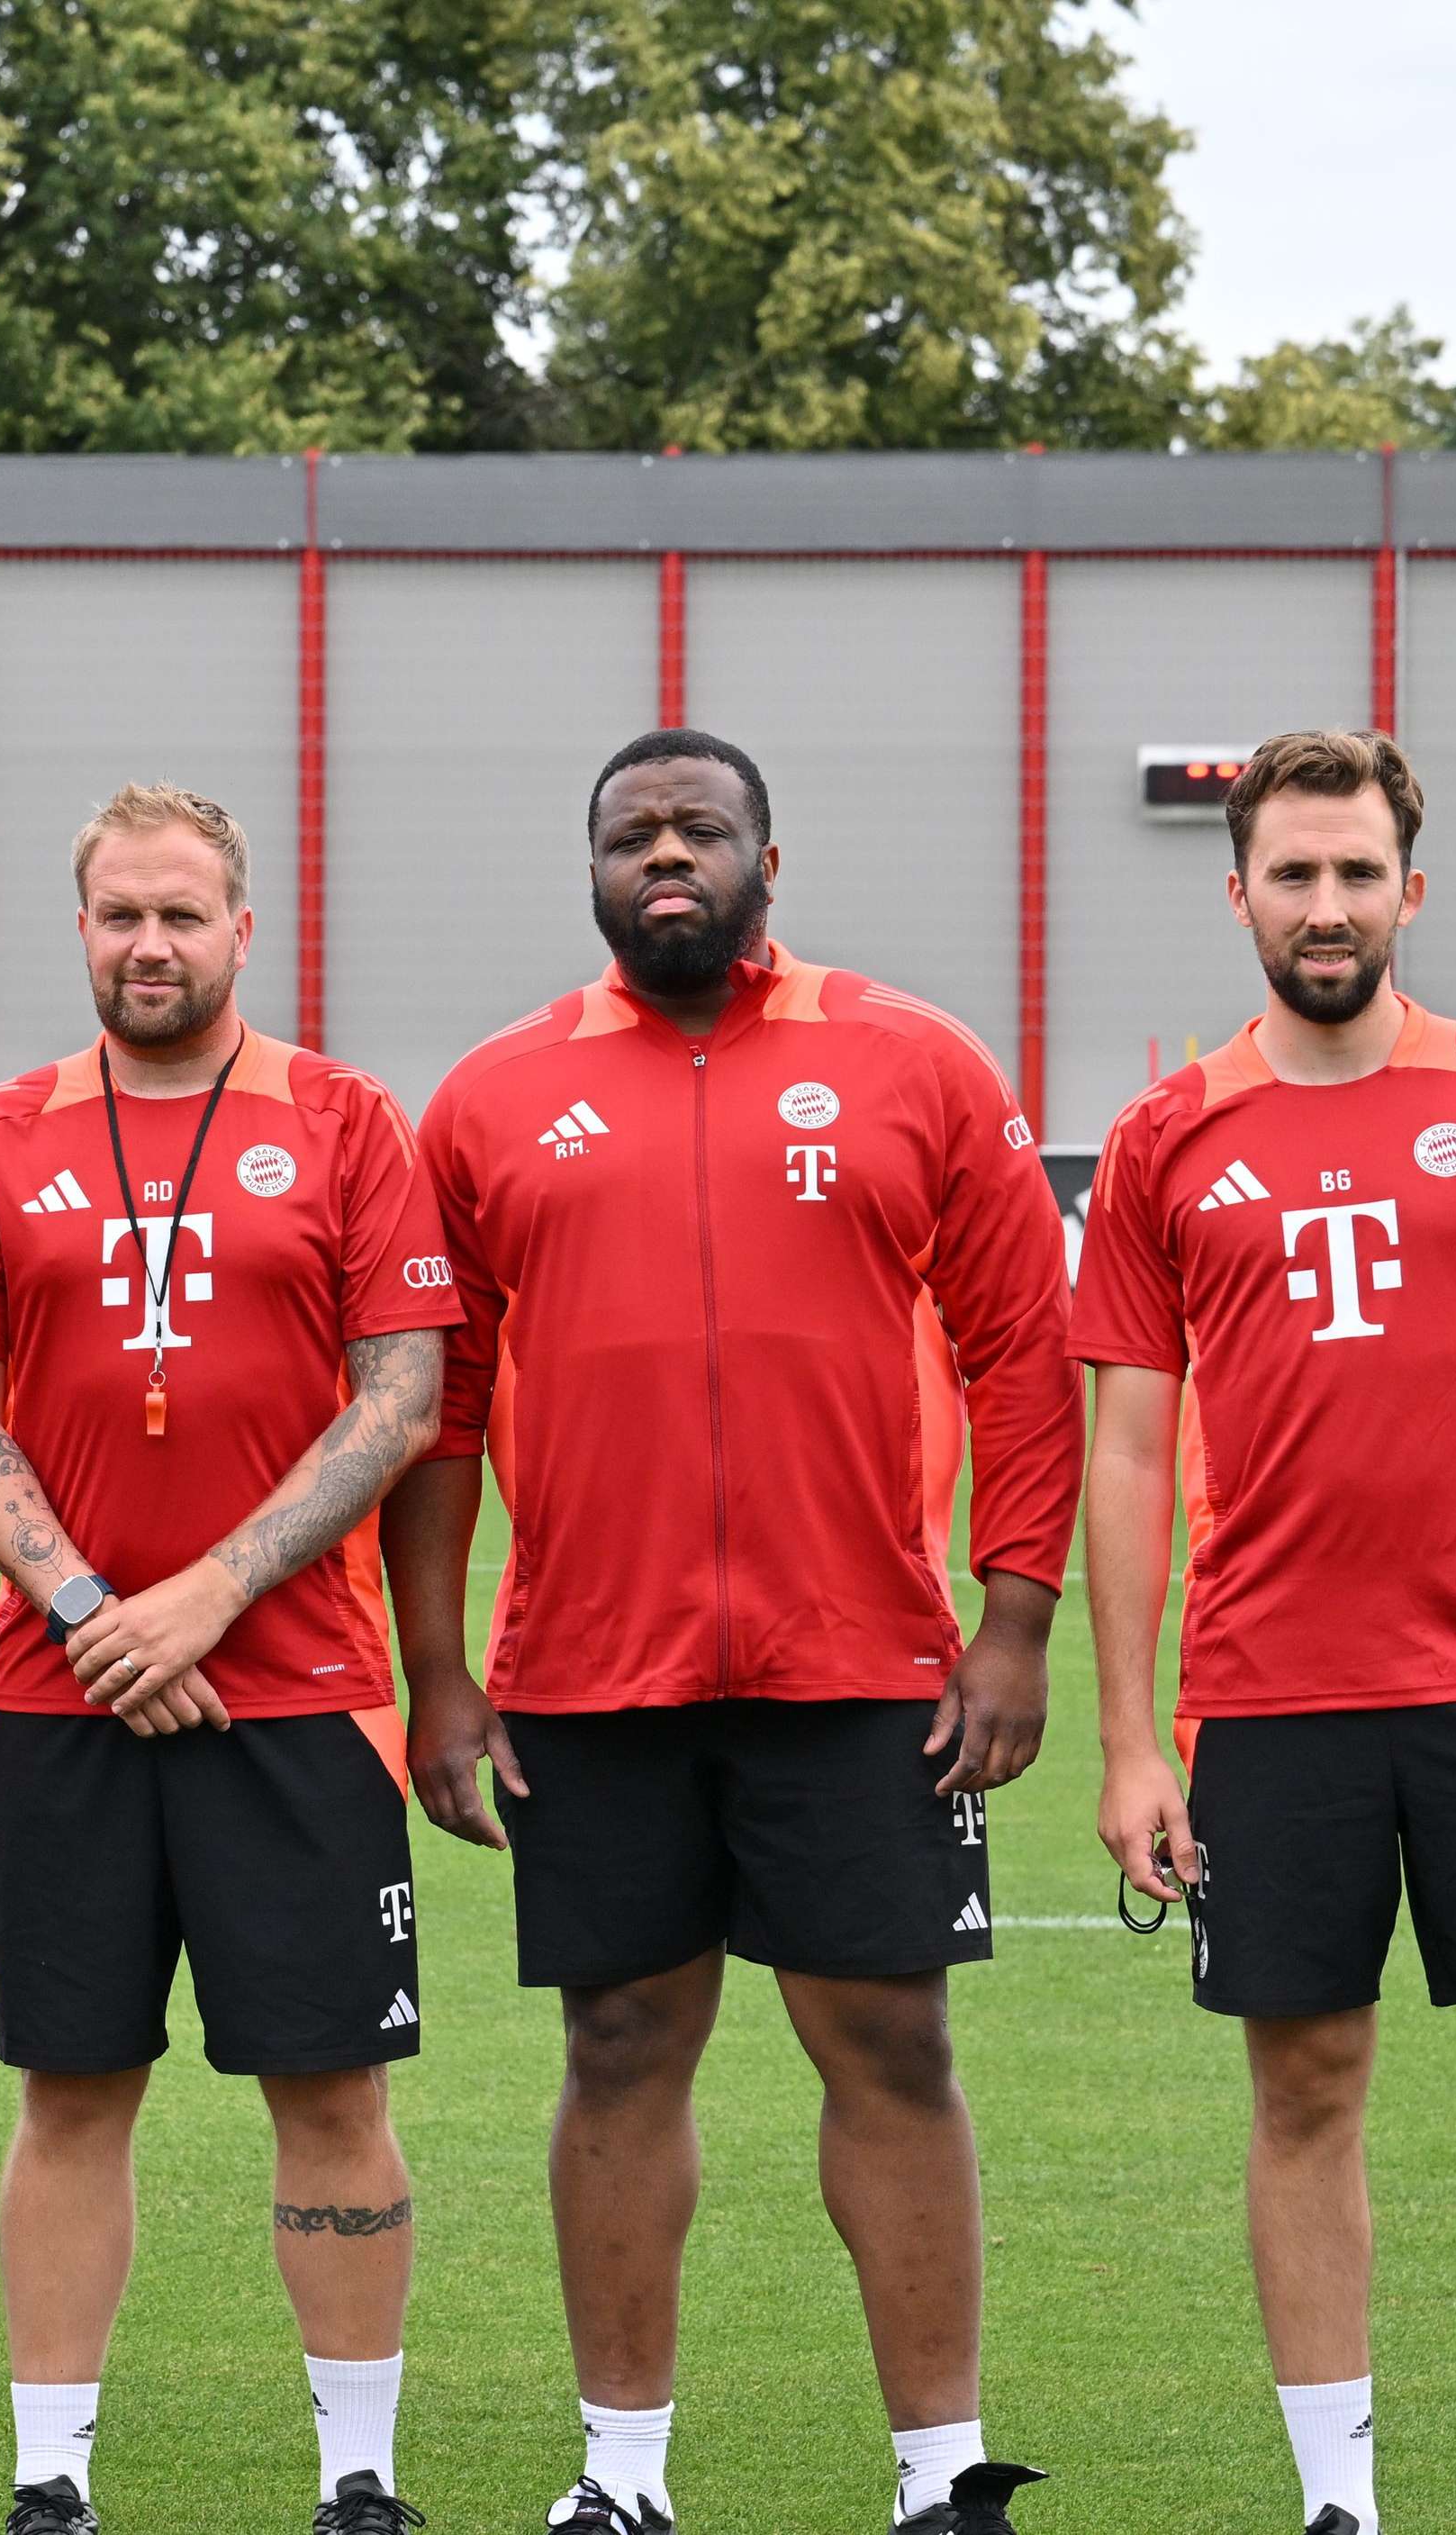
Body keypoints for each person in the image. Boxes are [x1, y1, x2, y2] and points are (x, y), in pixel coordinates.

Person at [388, 729, 1076, 2535]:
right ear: (593, 867)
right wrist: (439, 1669)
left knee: (892, 2043)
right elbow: (435, 1406)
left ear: (772, 852)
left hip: (863, 1666)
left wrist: (1012, 1618)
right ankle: (621, 2473)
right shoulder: (487, 1097)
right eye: (631, 834)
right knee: (616, 2043)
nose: (666, 855)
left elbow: (1024, 1351)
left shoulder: (912, 1059)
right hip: (584, 1674)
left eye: (701, 828)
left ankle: (942, 2474)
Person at [1077, 729, 1456, 2535]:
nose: (1326, 904)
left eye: (1357, 873)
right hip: (1270, 1703)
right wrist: (1133, 1738)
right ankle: (1338, 2504)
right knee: (1305, 2081)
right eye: (1294, 873)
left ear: (1408, 892)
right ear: (1240, 896)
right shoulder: (1162, 1137)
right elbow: (1126, 1451)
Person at [0, 784, 458, 2535]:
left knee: (329, 2084)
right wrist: (92, 1611)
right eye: (117, 914)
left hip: (295, 1692)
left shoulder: (348, 1120)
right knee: (71, 2086)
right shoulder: (0, 1136)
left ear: (242, 927)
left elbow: (406, 1392)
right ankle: (50, 2478)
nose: (148, 943)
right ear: (79, 931)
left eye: (179, 913)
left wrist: (206, 1591)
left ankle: (357, 2474)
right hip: (58, 1695)